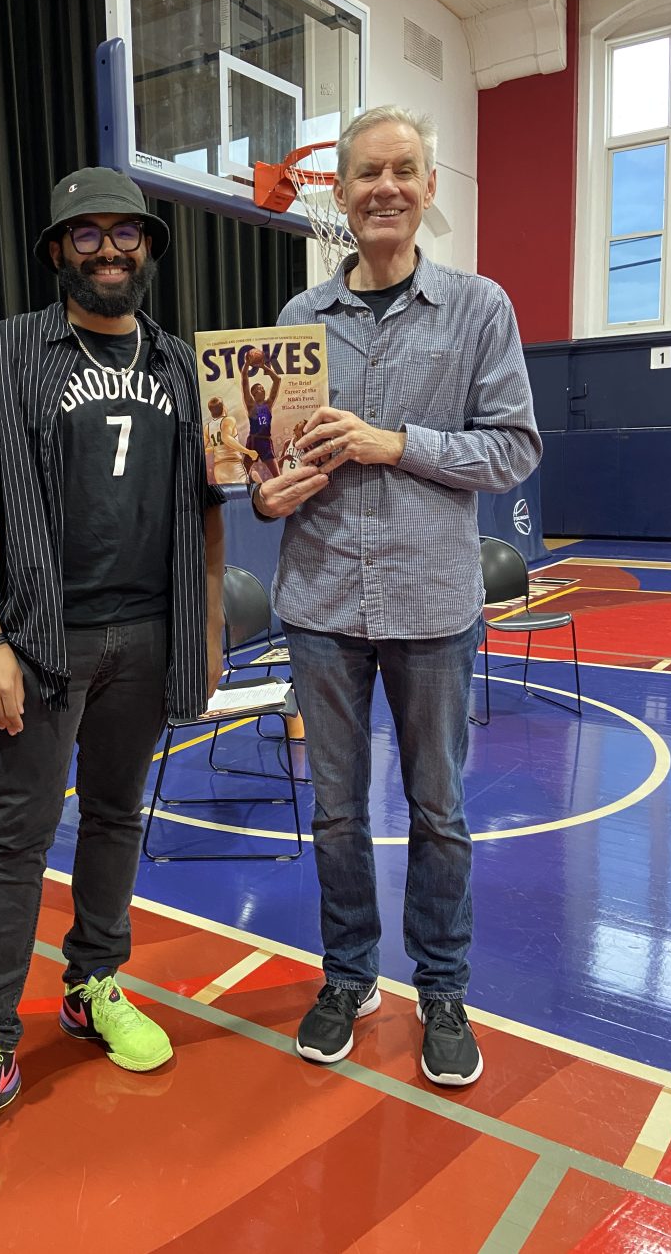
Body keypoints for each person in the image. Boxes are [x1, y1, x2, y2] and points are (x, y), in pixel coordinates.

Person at [0, 167, 225, 1171]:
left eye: (124, 233)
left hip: (150, 634)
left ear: (146, 248)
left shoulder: (182, 366)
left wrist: (209, 630)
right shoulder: (4, 353)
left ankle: (92, 987)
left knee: (119, 817)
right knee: (17, 837)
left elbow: (212, 510)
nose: (108, 250)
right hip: (42, 643)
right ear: (57, 252)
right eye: (84, 236)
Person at [251, 106, 541, 1087]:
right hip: (322, 604)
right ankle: (346, 978)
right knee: (334, 813)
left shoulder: (478, 309)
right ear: (339, 191)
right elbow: (259, 464)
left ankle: (444, 989)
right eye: (365, 172)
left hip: (431, 606)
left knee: (437, 810)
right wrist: (261, 489)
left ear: (426, 189)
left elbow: (512, 449)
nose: (383, 187)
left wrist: (393, 443)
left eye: (401, 171)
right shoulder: (294, 325)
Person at [241, 356, 281, 480]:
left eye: (263, 388)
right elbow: (244, 380)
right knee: (243, 474)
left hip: (265, 441)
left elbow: (277, 380)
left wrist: (263, 366)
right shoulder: (250, 404)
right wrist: (247, 363)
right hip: (253, 441)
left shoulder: (268, 404)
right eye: (259, 389)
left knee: (277, 476)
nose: (262, 389)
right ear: (253, 393)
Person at [205, 395, 258, 484]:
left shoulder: (207, 427)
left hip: (219, 469)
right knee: (242, 495)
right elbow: (225, 438)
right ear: (223, 408)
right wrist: (248, 452)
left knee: (227, 497)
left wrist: (216, 448)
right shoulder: (228, 420)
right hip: (233, 466)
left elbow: (202, 450)